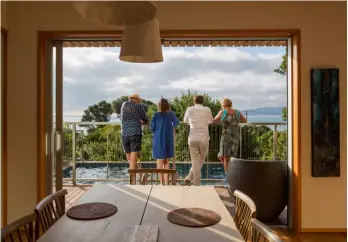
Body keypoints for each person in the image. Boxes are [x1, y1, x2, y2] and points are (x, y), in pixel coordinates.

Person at [183, 95, 213, 186]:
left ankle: (189, 178)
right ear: (203, 101)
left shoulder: (189, 109)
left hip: (192, 138)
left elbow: (185, 121)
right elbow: (211, 121)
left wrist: (192, 122)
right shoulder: (207, 109)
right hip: (204, 138)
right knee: (201, 159)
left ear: (194, 101)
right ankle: (196, 184)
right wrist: (205, 122)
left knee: (195, 161)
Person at [213, 98, 247, 174]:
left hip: (226, 137)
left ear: (223, 104)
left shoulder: (223, 112)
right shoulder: (237, 112)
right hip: (235, 137)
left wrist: (221, 121)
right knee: (231, 156)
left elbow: (214, 120)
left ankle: (228, 177)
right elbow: (244, 120)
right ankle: (231, 174)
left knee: (225, 157)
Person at [150, 98, 180, 184]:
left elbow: (152, 128)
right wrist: (169, 126)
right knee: (166, 161)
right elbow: (176, 122)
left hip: (158, 139)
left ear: (159, 105)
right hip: (167, 138)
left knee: (159, 161)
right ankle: (167, 182)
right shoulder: (171, 114)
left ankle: (161, 182)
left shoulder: (156, 115)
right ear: (167, 105)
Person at [120, 94, 149, 180]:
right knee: (133, 157)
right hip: (135, 133)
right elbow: (145, 119)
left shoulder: (124, 104)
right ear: (136, 99)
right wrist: (142, 122)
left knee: (129, 157)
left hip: (124, 133)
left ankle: (140, 174)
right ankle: (132, 181)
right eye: (139, 100)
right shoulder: (138, 106)